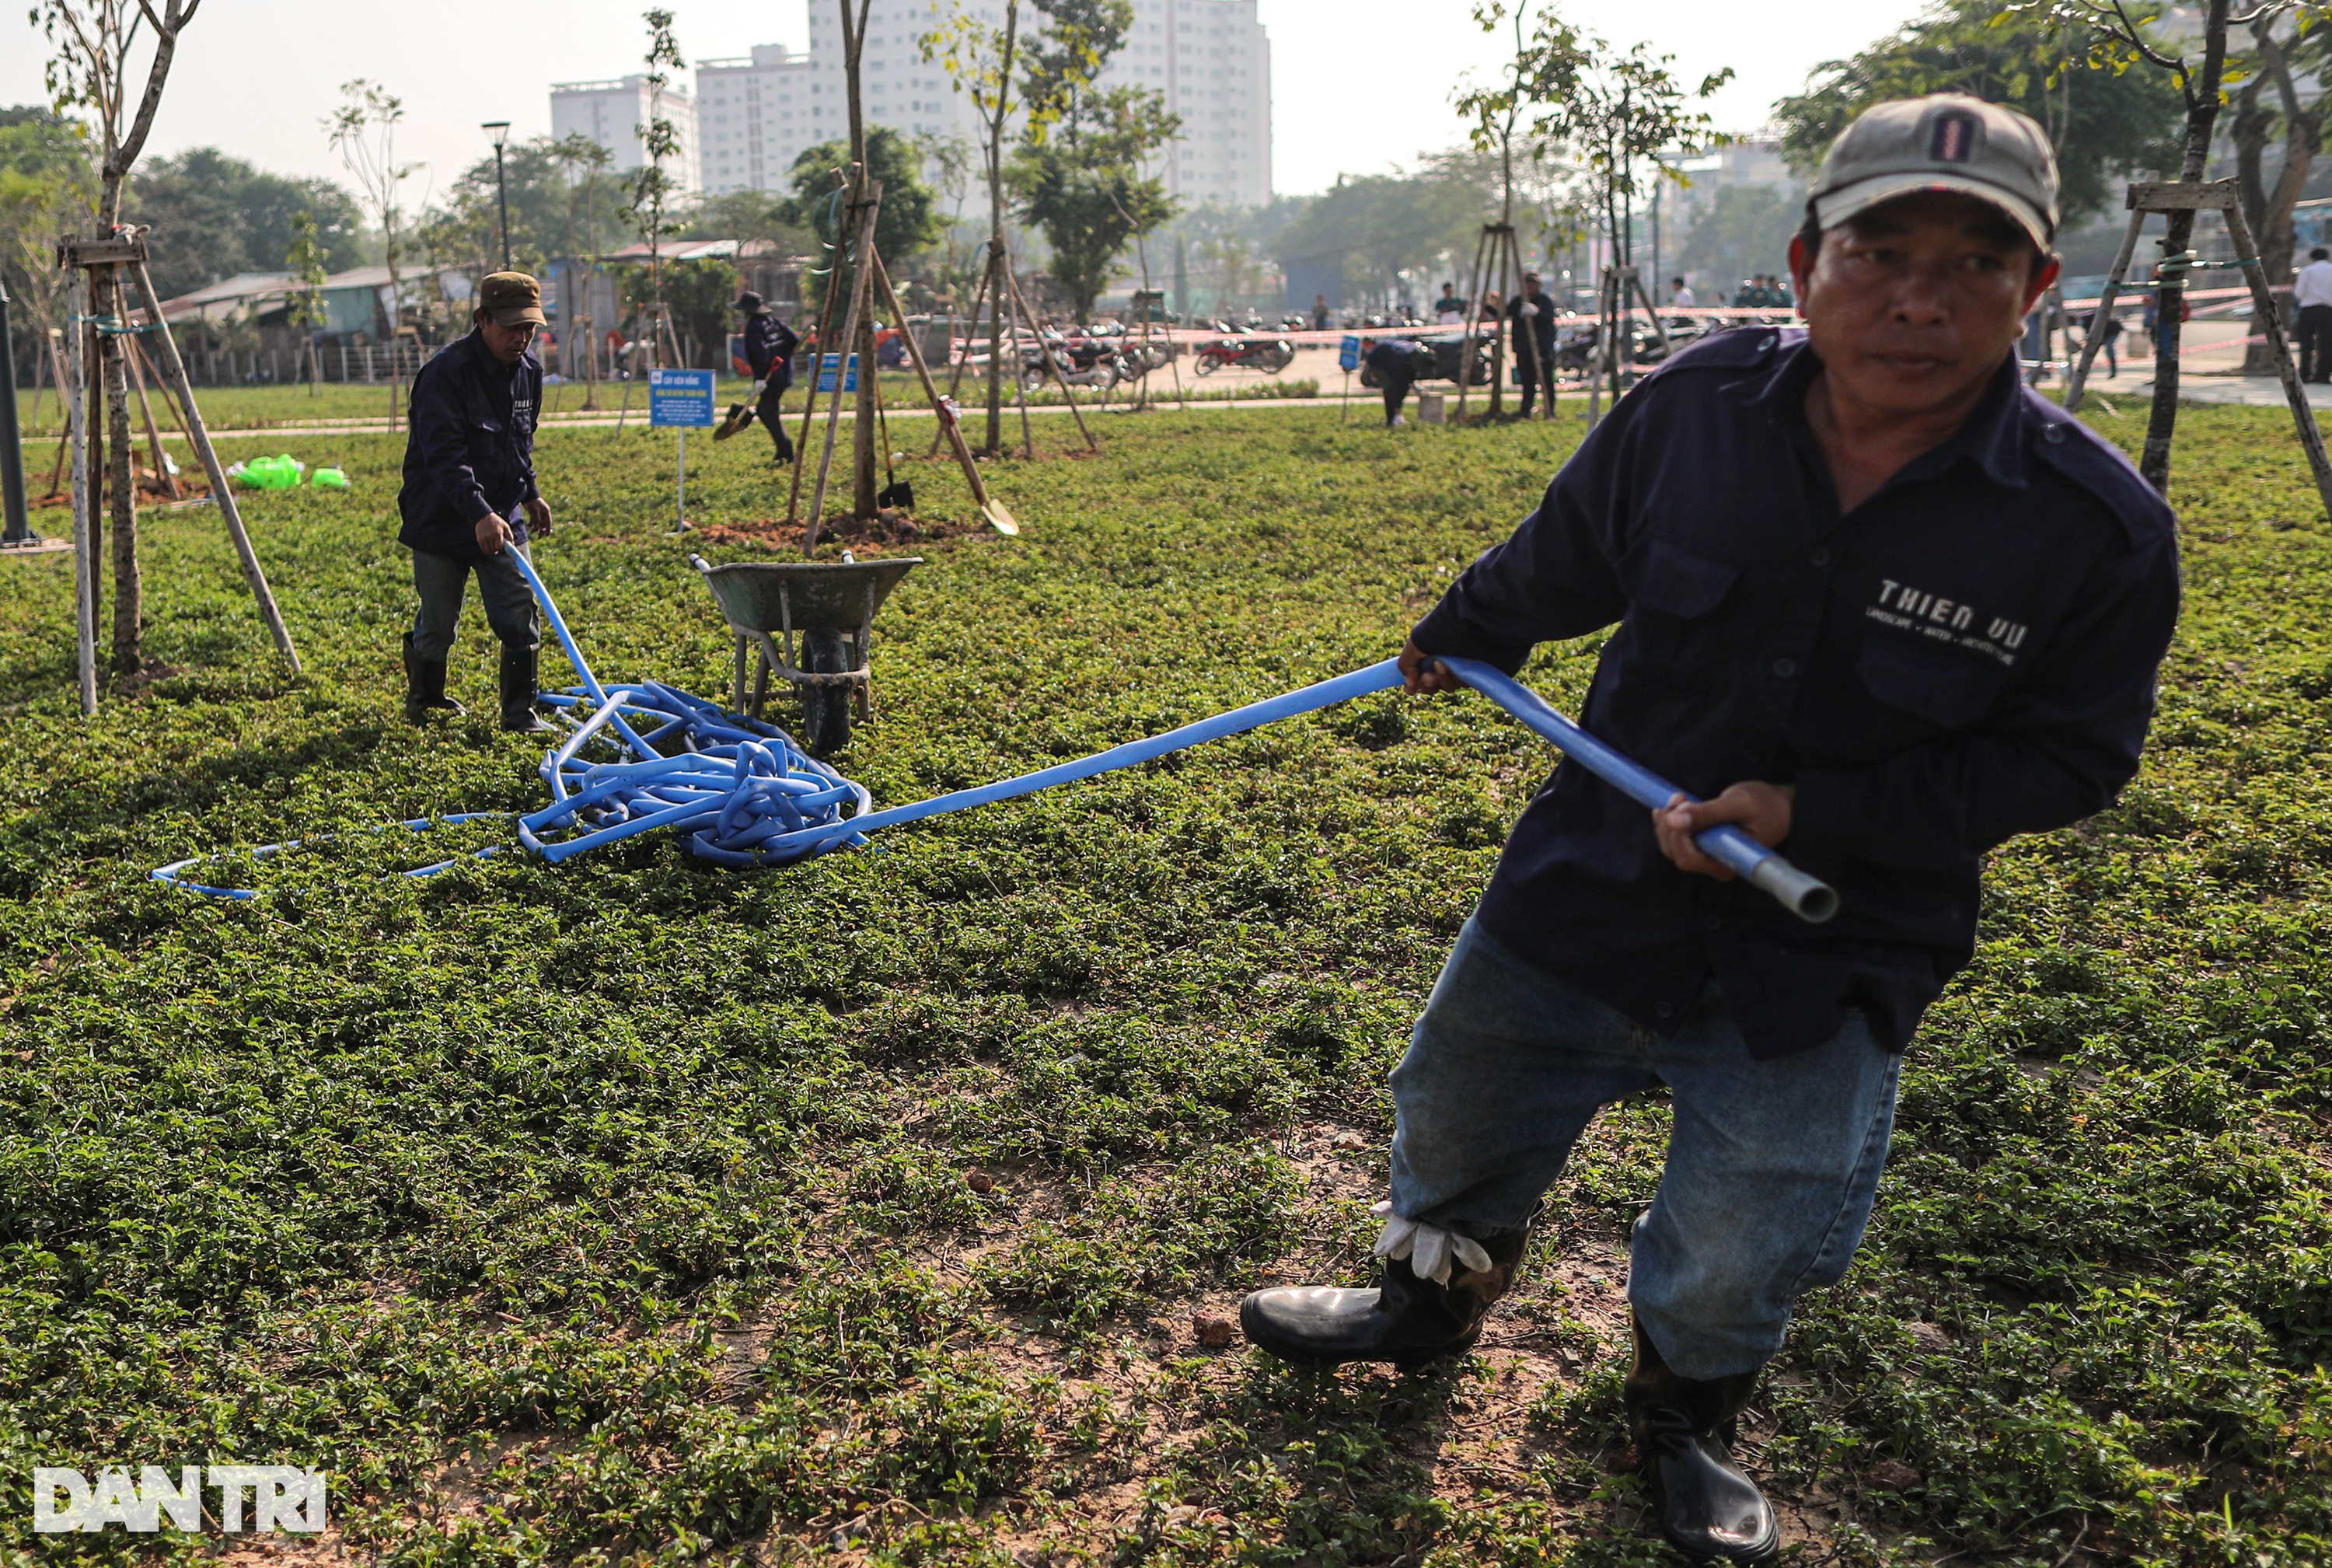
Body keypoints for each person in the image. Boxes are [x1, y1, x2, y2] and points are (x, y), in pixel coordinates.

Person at [1240, 93, 2180, 1565]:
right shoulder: (1692, 409)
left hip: (1829, 942)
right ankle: (1426, 1296)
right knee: (1462, 1100)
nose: (1919, 298)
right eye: (1878, 251)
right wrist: (1460, 629)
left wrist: (1823, 814)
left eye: (1975, 263)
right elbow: (1566, 558)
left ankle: (1685, 1413)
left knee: (1755, 1215)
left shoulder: (2092, 529)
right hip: (1586, 891)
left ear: (2038, 288)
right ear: (1808, 260)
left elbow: (2070, 757)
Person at [396, 271, 560, 733]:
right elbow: (444, 457)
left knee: (519, 608)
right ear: (482, 319)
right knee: (439, 621)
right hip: (442, 519)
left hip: (502, 516)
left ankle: (518, 713)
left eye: (530, 328)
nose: (522, 338)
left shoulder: (529, 373)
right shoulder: (445, 374)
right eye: (512, 327)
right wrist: (479, 512)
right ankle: (426, 698)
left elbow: (517, 444)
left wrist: (529, 491)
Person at [717, 291, 801, 463]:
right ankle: (783, 451)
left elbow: (760, 354)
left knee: (766, 411)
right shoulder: (773, 321)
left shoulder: (754, 327)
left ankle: (786, 453)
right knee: (767, 410)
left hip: (771, 378)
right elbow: (795, 340)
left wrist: (761, 379)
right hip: (784, 375)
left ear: (747, 311)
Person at [1505, 271, 1559, 416]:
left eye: (1533, 283)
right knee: (1527, 380)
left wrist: (1537, 313)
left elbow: (1549, 318)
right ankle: (1526, 409)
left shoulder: (1545, 300)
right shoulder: (1518, 301)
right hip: (1524, 347)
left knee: (1546, 379)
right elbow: (1505, 313)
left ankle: (1550, 410)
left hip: (1542, 346)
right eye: (1527, 283)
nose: (1530, 286)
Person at [1363, 335, 1431, 426]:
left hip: (1384, 357)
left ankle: (1393, 417)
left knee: (1394, 389)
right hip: (1380, 361)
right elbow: (1400, 380)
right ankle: (1394, 417)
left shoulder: (1411, 353)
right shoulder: (1405, 359)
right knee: (1394, 390)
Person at [2294, 246, 2332, 382]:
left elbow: (2299, 292)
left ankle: (2305, 373)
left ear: (2312, 258)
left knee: (2306, 344)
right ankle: (2323, 375)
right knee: (2327, 344)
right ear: (2327, 257)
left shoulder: (2307, 271)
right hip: (2328, 310)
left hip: (2309, 309)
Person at [2081, 304, 2124, 379]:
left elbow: (2090, 332)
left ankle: (2113, 371)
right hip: (2101, 333)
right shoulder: (2086, 319)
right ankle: (2085, 373)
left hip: (2112, 332)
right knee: (2090, 352)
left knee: (2109, 348)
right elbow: (2088, 333)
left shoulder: (2088, 320)